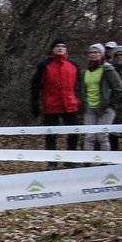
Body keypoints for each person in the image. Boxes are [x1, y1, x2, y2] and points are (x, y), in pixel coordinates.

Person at [30, 39, 83, 169]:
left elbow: (80, 86)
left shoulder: (73, 65)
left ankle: (71, 160)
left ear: (66, 49)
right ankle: (52, 162)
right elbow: (35, 86)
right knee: (51, 135)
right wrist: (35, 105)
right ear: (52, 49)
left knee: (73, 134)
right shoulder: (44, 65)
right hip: (51, 105)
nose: (60, 49)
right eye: (58, 46)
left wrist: (80, 102)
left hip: (70, 104)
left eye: (63, 46)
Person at [81, 43, 122, 153]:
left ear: (101, 54)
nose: (93, 54)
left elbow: (120, 90)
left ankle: (105, 163)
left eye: (96, 52)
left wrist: (109, 103)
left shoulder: (108, 70)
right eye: (90, 52)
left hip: (105, 108)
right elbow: (81, 89)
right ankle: (88, 162)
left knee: (102, 136)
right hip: (90, 107)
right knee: (89, 136)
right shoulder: (85, 72)